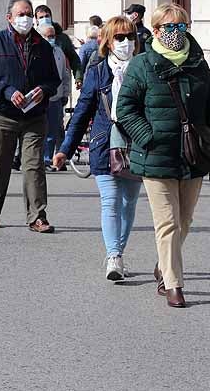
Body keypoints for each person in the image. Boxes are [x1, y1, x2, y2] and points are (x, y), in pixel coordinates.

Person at [116, 3, 210, 308]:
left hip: (194, 154)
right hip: (157, 155)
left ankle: (163, 264)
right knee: (167, 222)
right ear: (155, 31)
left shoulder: (198, 62)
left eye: (181, 26)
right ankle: (173, 283)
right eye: (170, 27)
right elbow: (125, 108)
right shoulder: (142, 64)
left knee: (185, 220)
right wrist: (147, 137)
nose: (176, 33)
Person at [53, 16, 142, 281]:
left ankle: (118, 253)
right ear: (108, 41)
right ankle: (113, 256)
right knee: (110, 201)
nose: (126, 43)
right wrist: (65, 149)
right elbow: (82, 112)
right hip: (105, 143)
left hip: (137, 143)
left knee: (129, 203)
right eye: (119, 37)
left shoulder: (144, 69)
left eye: (130, 37)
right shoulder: (98, 71)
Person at [0, 0, 61, 232]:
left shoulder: (42, 45)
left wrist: (44, 90)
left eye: (29, 14)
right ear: (9, 18)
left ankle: (37, 216)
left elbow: (53, 79)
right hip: (1, 114)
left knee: (34, 165)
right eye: (21, 14)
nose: (26, 18)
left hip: (33, 115)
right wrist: (6, 91)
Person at [40, 23, 72, 170]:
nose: (50, 38)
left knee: (53, 130)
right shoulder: (37, 51)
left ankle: (48, 159)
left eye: (52, 36)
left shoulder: (59, 52)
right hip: (39, 98)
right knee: (40, 130)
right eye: (47, 36)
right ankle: (39, 159)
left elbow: (65, 75)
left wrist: (65, 93)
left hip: (55, 97)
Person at [34, 4, 82, 86]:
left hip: (60, 83)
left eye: (47, 16)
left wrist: (78, 77)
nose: (44, 19)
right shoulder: (32, 37)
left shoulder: (62, 38)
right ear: (36, 20)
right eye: (41, 17)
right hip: (38, 85)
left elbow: (74, 58)